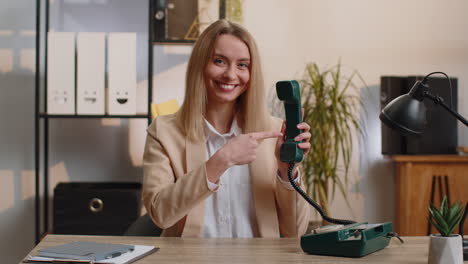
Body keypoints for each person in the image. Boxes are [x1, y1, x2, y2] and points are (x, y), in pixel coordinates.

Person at [142, 19, 312, 238]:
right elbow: (159, 213)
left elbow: (297, 230)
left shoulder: (275, 131)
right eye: (219, 61)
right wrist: (221, 161)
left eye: (242, 65)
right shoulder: (164, 131)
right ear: (200, 65)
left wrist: (286, 171)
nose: (231, 75)